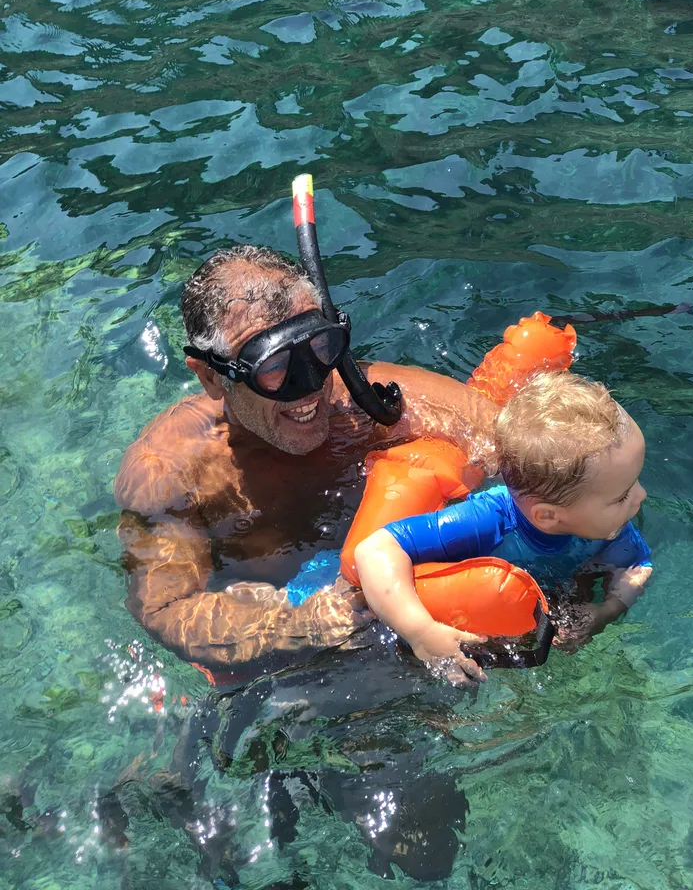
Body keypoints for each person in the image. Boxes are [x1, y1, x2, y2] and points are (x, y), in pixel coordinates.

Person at [114, 243, 499, 881]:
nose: (310, 389)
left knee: (427, 837)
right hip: (275, 662)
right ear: (211, 377)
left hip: (395, 629)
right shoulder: (176, 471)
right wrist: (299, 624)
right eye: (274, 369)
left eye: (319, 350)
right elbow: (164, 609)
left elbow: (538, 452)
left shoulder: (370, 406)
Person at [354, 370, 653, 685]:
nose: (641, 497)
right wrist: (420, 632)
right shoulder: (488, 521)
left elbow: (635, 566)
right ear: (548, 516)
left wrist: (604, 612)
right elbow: (374, 550)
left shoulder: (610, 525)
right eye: (622, 496)